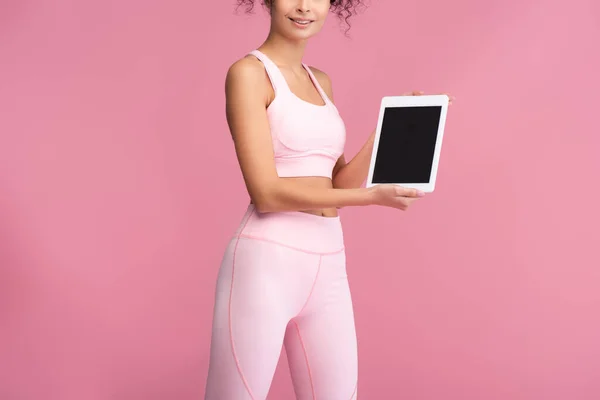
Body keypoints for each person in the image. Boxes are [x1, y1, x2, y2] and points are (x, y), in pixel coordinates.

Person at [204, 1, 450, 399]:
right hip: (267, 262)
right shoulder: (249, 73)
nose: (304, 7)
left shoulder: (320, 81)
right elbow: (265, 193)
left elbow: (334, 181)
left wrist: (388, 130)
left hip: (329, 260)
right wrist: (370, 198)